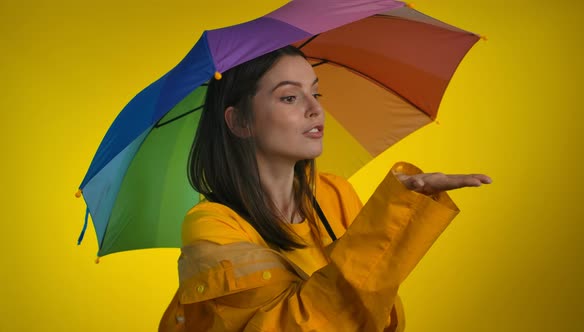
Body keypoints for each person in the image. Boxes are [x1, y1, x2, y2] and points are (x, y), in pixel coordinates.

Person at [159, 45, 492, 331]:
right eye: (290, 97)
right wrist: (388, 216)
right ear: (239, 122)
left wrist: (401, 209)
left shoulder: (335, 193)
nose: (316, 108)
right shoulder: (212, 226)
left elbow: (377, 313)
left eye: (315, 93)